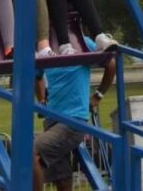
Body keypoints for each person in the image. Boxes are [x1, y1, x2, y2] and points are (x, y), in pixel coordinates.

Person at [33, 43, 116, 191]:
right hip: (52, 120)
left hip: (73, 122)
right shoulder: (44, 48)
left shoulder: (81, 42)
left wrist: (98, 95)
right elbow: (38, 76)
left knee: (30, 152)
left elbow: (111, 64)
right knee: (61, 178)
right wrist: (42, 100)